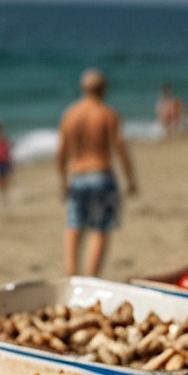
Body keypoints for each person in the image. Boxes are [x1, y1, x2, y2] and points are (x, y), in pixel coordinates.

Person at [57, 69, 138, 277]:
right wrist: (130, 179)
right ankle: (91, 278)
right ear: (104, 89)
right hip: (101, 173)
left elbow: (61, 153)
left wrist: (63, 181)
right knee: (99, 230)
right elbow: (120, 148)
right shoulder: (107, 114)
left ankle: (72, 275)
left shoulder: (70, 114)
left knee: (73, 226)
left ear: (83, 88)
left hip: (77, 175)